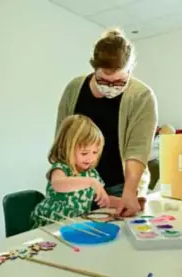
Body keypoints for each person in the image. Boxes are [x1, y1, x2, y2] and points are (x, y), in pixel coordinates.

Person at [55, 28, 158, 217]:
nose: (110, 87)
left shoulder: (142, 96)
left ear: (130, 70)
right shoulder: (74, 88)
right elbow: (61, 138)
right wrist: (64, 177)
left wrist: (129, 192)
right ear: (94, 68)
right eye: (103, 79)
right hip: (77, 183)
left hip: (120, 184)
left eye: (118, 81)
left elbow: (137, 149)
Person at [30, 114, 121, 228]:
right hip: (49, 225)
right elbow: (58, 184)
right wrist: (91, 182)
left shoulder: (91, 173)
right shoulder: (61, 168)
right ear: (66, 148)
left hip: (74, 225)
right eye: (84, 153)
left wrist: (124, 203)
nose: (90, 158)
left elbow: (103, 200)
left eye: (95, 152)